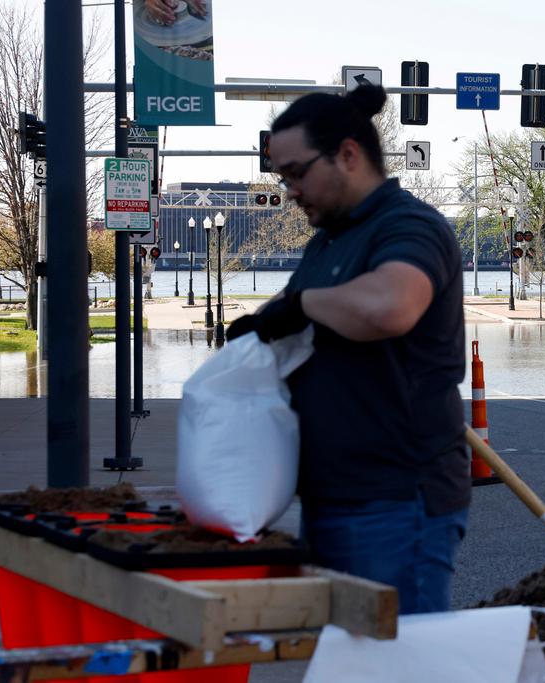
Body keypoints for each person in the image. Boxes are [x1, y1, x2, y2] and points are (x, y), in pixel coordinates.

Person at [226, 85, 469, 614]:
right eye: (281, 176)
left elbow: (390, 305)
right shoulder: (331, 238)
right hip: (334, 499)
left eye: (295, 173)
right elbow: (317, 310)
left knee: (400, 668)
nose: (289, 189)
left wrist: (301, 304)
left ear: (348, 155)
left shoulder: (409, 226)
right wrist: (265, 326)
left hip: (397, 503)